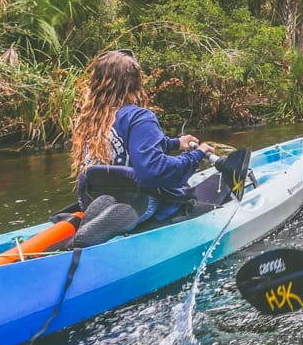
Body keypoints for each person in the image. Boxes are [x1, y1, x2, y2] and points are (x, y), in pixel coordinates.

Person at [69, 50, 213, 247]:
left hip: (92, 196)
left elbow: (131, 147)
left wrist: (175, 143)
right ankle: (124, 216)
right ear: (136, 82)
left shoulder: (90, 120)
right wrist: (196, 155)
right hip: (139, 201)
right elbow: (155, 170)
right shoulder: (139, 116)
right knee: (162, 196)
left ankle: (103, 215)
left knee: (112, 197)